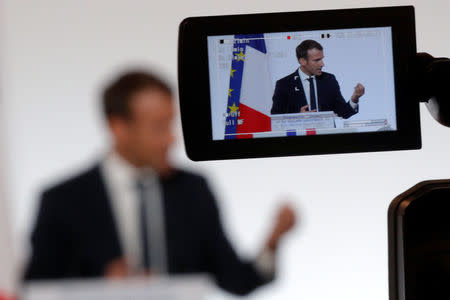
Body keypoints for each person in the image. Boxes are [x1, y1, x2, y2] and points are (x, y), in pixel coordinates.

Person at [23, 70, 296, 296]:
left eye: (170, 125)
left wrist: (273, 240)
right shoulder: (63, 200)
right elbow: (36, 288)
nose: (170, 140)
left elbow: (236, 280)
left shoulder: (192, 191)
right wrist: (99, 288)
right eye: (158, 127)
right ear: (118, 127)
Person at [271, 40, 365, 118]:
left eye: (322, 59)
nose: (322, 64)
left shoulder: (329, 80)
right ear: (303, 61)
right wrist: (297, 117)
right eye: (317, 60)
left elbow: (344, 113)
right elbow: (276, 118)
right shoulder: (284, 84)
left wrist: (355, 98)